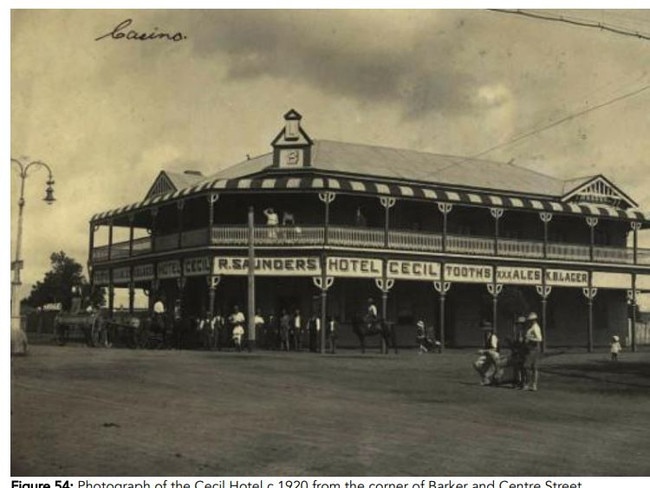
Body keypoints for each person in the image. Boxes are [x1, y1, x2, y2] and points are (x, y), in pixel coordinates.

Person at [523, 311, 543, 391]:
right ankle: (533, 384)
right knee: (533, 367)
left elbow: (539, 338)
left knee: (527, 366)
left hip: (533, 349)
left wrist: (529, 339)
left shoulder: (535, 327)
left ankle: (529, 384)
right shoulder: (532, 327)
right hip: (532, 348)